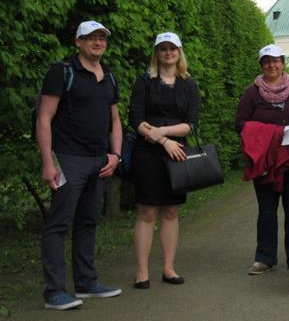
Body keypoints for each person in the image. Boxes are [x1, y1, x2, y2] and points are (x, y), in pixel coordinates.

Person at [36, 21, 123, 310]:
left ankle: (86, 283)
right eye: (91, 38)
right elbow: (44, 118)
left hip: (100, 160)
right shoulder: (62, 72)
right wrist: (48, 163)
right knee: (59, 224)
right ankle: (54, 292)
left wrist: (116, 156)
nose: (98, 42)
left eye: (102, 38)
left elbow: (115, 121)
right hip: (68, 159)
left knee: (88, 221)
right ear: (78, 42)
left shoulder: (109, 77)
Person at [129, 32, 200, 289]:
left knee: (171, 212)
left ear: (179, 52)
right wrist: (162, 140)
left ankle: (169, 268)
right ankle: (142, 271)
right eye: (163, 48)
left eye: (172, 48)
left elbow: (191, 123)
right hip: (148, 153)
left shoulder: (189, 84)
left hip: (178, 154)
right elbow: (135, 120)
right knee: (147, 212)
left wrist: (165, 132)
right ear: (156, 53)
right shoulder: (144, 81)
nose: (168, 52)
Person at [235, 44, 289, 275]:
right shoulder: (252, 93)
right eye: (267, 61)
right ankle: (265, 257)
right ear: (261, 65)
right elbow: (239, 123)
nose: (272, 64)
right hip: (265, 162)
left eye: (276, 60)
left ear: (283, 63)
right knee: (267, 211)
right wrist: (271, 132)